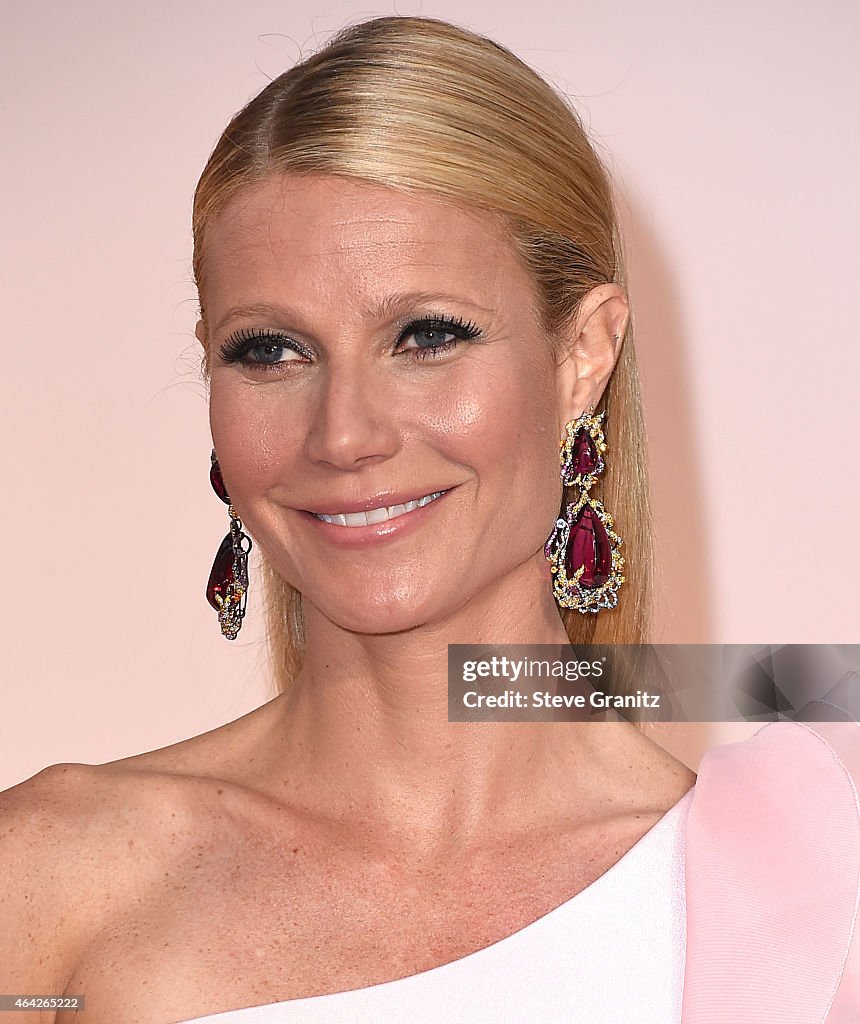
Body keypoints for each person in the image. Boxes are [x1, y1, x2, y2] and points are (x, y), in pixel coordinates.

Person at [1, 15, 857, 1024]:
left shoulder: (813, 890)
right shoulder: (51, 881)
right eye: (271, 350)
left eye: (426, 335)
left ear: (580, 355)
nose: (344, 433)